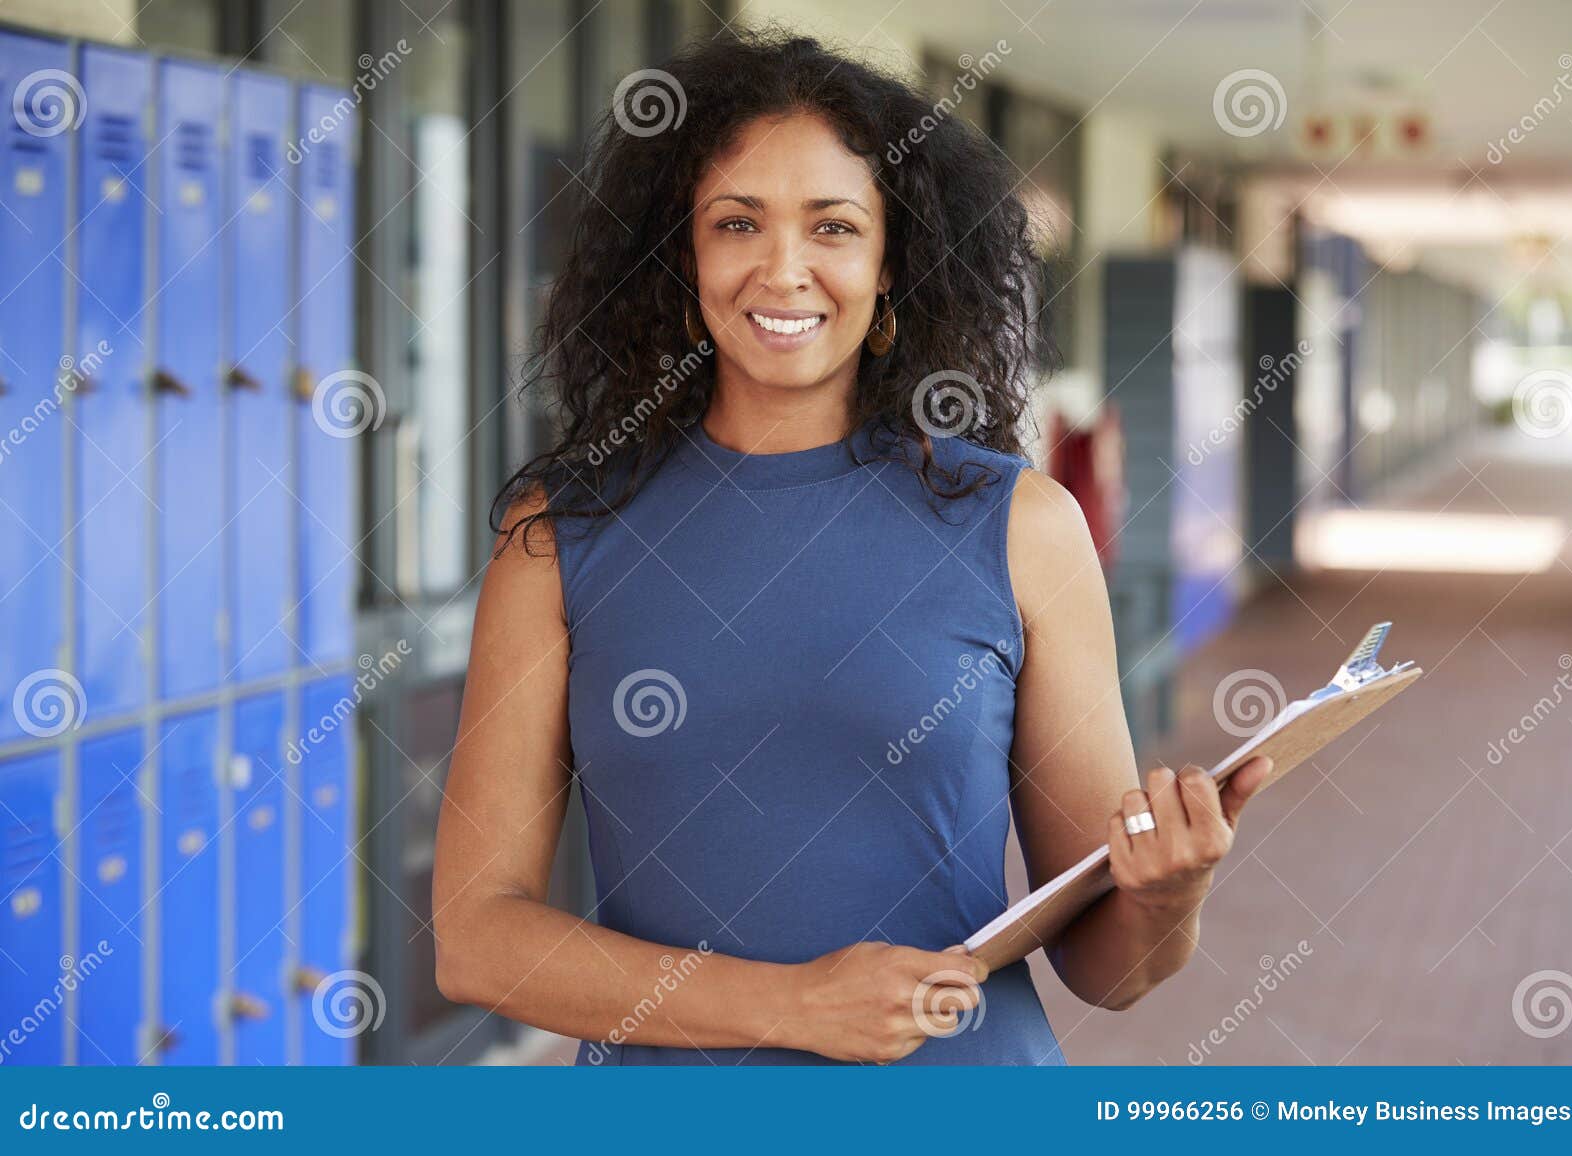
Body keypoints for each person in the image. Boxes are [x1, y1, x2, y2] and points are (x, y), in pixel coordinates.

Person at [430, 28, 1271, 1065]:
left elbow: (1109, 971)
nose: (784, 269)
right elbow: (476, 941)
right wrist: (786, 1006)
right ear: (680, 254)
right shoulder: (561, 535)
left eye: (833, 226)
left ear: (891, 264)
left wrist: (1168, 895)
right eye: (737, 222)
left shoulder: (1018, 525)